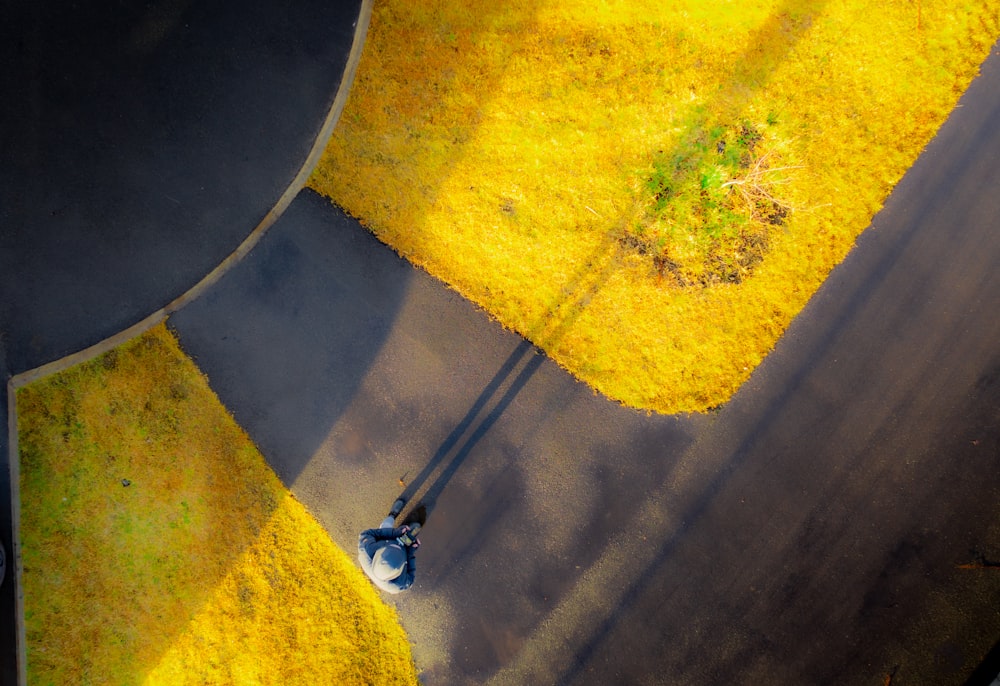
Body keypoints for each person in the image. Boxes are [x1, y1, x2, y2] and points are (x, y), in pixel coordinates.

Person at [358, 498, 420, 594]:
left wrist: (394, 533)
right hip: (400, 549)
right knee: (407, 541)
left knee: (385, 526)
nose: (397, 544)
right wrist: (410, 552)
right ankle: (408, 534)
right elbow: (410, 577)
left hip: (386, 539)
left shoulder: (365, 550)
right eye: (398, 548)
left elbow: (367, 534)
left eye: (395, 547)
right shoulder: (399, 585)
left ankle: (392, 515)